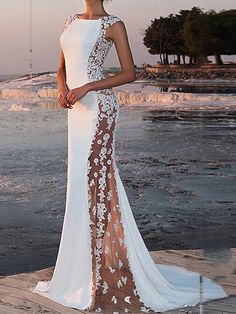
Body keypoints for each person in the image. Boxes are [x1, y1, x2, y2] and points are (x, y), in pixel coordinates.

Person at [31, 0, 228, 313]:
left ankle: (99, 265)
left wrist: (86, 87)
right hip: (77, 113)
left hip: (99, 110)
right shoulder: (70, 20)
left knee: (96, 181)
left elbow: (129, 73)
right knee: (78, 183)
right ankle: (82, 265)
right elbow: (61, 68)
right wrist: (61, 87)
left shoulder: (113, 24)